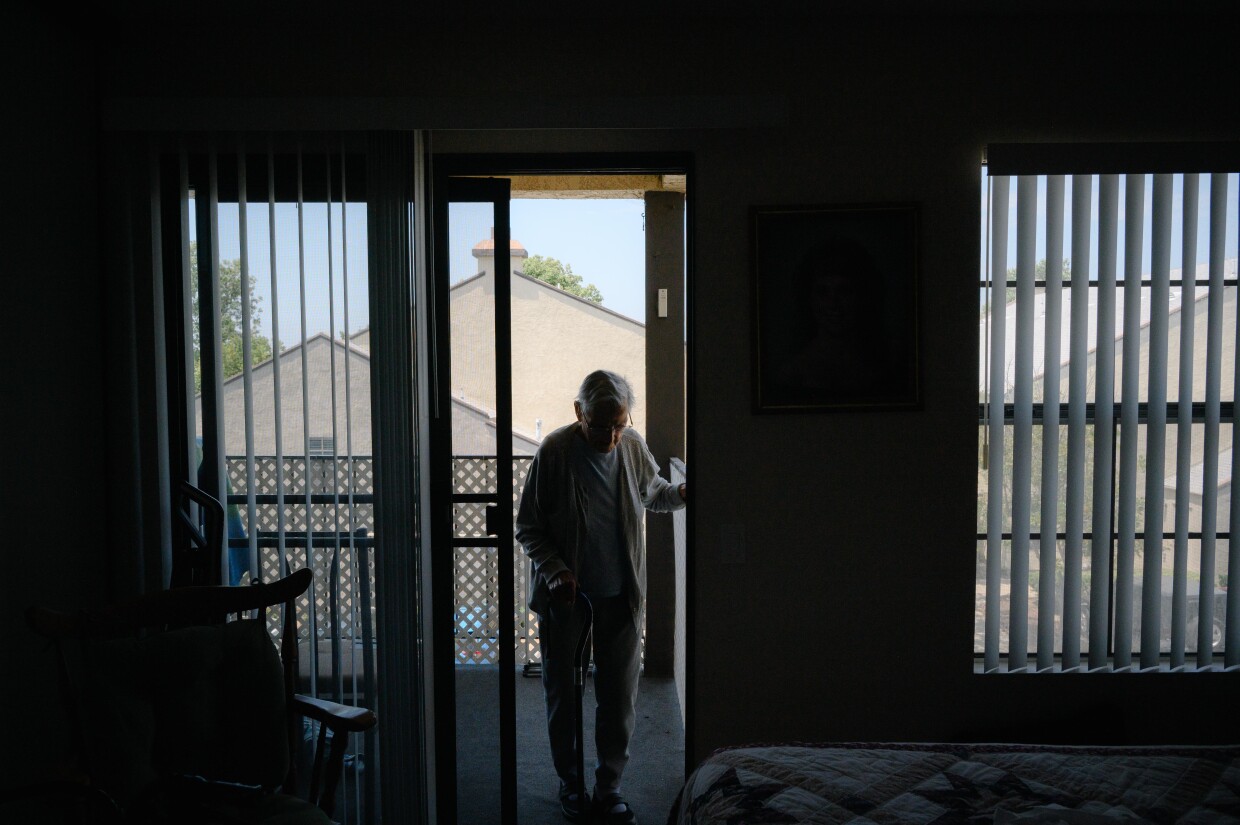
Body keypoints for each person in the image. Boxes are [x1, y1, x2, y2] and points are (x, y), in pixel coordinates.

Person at [515, 370, 687, 825]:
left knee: (619, 699)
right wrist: (555, 571)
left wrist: (683, 493)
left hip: (622, 596)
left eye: (619, 424)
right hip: (568, 601)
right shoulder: (554, 451)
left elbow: (656, 495)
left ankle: (608, 788)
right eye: (599, 425)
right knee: (564, 697)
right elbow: (527, 526)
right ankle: (572, 784)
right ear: (579, 413)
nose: (610, 436)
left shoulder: (631, 445)